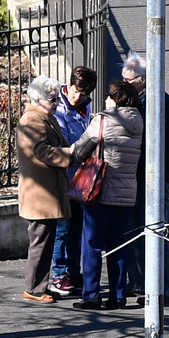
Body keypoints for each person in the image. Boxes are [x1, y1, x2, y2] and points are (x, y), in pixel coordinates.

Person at [71, 80, 144, 310]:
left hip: (100, 192)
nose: (104, 99)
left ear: (115, 98)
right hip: (126, 193)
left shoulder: (103, 119)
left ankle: (91, 294)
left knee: (91, 243)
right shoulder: (139, 121)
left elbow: (81, 151)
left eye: (108, 96)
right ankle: (118, 295)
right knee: (118, 244)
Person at [121, 51, 169, 303]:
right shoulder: (141, 101)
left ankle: (158, 288)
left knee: (154, 229)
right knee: (134, 227)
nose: (124, 85)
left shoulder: (157, 104)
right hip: (139, 174)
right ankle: (140, 282)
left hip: (153, 175)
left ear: (143, 80)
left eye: (129, 80)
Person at [16, 76, 72, 304]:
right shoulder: (33, 119)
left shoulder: (44, 117)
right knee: (41, 240)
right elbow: (42, 151)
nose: (57, 102)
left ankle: (41, 285)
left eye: (57, 98)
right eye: (52, 99)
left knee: (46, 240)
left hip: (46, 190)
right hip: (40, 192)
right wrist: (70, 154)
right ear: (39, 100)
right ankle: (34, 289)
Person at [48, 66, 97, 297]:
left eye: (83, 94)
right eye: (76, 91)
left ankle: (73, 272)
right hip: (65, 176)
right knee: (62, 229)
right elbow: (66, 144)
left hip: (81, 178)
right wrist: (84, 145)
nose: (77, 97)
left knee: (77, 229)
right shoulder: (59, 107)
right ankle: (59, 274)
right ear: (69, 85)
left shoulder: (84, 107)